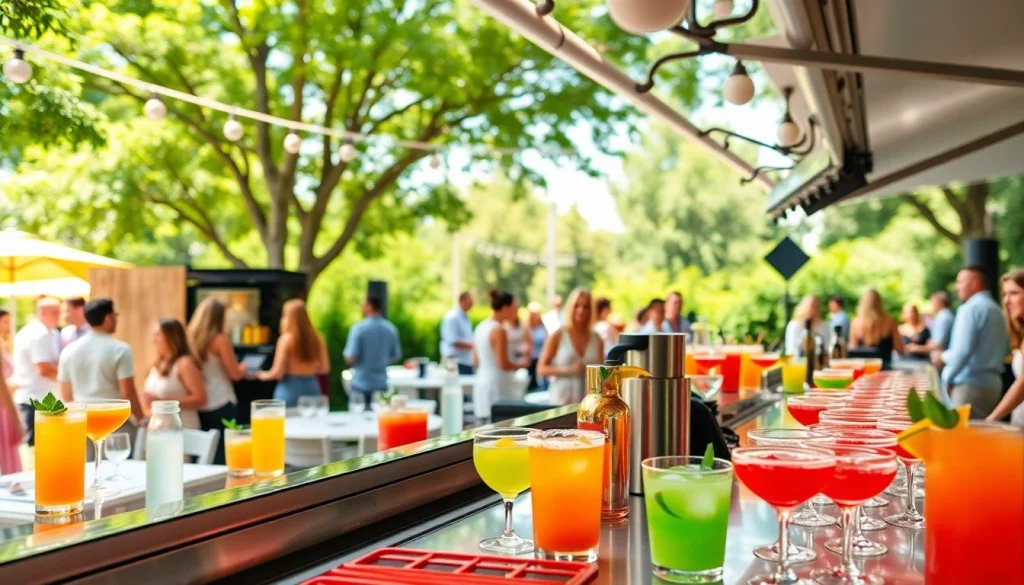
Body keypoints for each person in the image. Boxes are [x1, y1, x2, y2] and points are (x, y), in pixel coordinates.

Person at [931, 266, 1009, 418]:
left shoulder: (970, 308)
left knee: (963, 432)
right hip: (993, 386)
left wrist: (946, 376)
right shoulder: (996, 309)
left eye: (960, 281)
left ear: (974, 283)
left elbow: (962, 352)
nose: (957, 287)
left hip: (969, 387)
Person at [58, 299, 144, 424]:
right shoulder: (120, 350)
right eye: (115, 315)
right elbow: (128, 393)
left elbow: (65, 394)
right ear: (108, 318)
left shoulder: (68, 351)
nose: (116, 319)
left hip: (83, 421)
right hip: (114, 421)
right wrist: (141, 419)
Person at [187, 297, 250, 464]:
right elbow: (235, 374)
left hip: (201, 404)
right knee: (223, 454)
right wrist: (244, 367)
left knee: (204, 453)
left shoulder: (190, 338)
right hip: (221, 401)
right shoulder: (220, 340)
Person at [259, 300, 330, 407]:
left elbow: (278, 373)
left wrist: (261, 375)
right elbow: (324, 368)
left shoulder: (286, 339)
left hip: (290, 388)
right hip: (311, 387)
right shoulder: (317, 338)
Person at [538, 289, 602, 406]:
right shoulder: (558, 335)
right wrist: (568, 370)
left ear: (591, 310)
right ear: (570, 308)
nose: (581, 310)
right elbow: (541, 368)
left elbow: (602, 373)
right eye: (576, 306)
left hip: (588, 404)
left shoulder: (597, 338)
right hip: (561, 401)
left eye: (586, 307)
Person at [11, 297, 61, 446]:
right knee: (38, 448)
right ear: (42, 313)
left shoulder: (47, 333)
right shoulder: (37, 334)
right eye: (55, 313)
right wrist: (69, 376)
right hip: (35, 400)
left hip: (41, 398)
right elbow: (44, 369)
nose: (59, 316)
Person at [472, 290, 528, 420]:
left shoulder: (481, 326)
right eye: (514, 308)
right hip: (498, 385)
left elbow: (475, 360)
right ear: (505, 307)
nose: (516, 312)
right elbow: (503, 364)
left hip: (482, 381)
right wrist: (521, 364)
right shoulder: (499, 330)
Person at [143, 319, 205, 430]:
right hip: (159, 429)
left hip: (183, 429)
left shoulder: (184, 363)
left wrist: (162, 401)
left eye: (158, 334)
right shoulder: (157, 363)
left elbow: (200, 398)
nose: (154, 339)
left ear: (171, 337)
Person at [343, 295, 401, 409]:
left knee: (358, 417)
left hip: (360, 385)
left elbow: (350, 357)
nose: (361, 309)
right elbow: (395, 356)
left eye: (363, 305)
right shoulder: (391, 329)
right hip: (381, 385)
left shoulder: (359, 328)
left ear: (369, 306)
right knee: (380, 416)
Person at [987, 270, 1024, 427]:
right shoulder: (1020, 333)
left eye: (1014, 293)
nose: (1007, 301)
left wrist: (990, 420)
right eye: (1004, 294)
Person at [848, 289, 905, 369]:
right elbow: (900, 350)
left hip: (863, 369)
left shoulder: (855, 323)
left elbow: (853, 350)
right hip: (885, 369)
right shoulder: (890, 322)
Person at [0, 310, 22, 474]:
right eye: (5, 321)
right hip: (4, 408)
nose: (8, 326)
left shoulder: (4, 345)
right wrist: (16, 419)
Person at [440, 292, 474, 375]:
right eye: (469, 303)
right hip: (451, 360)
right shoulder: (452, 317)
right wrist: (474, 345)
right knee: (451, 383)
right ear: (461, 301)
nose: (471, 306)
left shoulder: (465, 317)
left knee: (466, 383)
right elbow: (452, 341)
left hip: (465, 360)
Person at [526, 303, 548, 391]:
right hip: (531, 357)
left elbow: (547, 340)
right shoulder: (527, 326)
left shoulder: (543, 326)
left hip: (541, 355)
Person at [504, 298, 530, 366]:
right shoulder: (503, 325)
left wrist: (526, 353)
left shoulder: (523, 324)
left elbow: (528, 342)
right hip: (508, 359)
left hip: (520, 358)